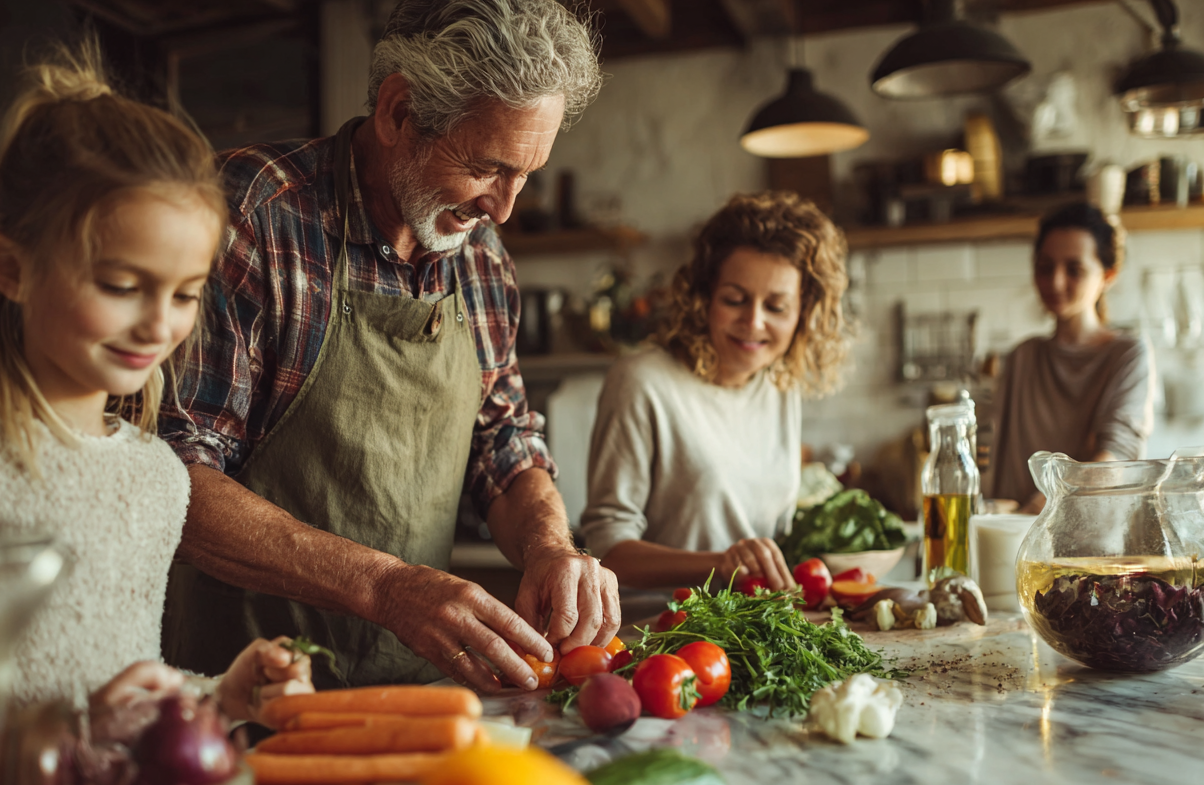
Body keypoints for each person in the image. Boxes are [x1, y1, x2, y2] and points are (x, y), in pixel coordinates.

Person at [159, 0, 619, 694]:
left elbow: (503, 445)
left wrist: (551, 546)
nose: (505, 209)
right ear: (400, 112)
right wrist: (384, 586)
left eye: (526, 174)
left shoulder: (483, 261)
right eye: (489, 166)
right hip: (240, 689)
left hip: (415, 690)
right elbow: (173, 478)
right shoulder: (253, 214)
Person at [0, 43, 311, 720]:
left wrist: (219, 697)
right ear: (12, 270)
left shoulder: (158, 477)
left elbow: (130, 682)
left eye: (186, 294)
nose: (160, 325)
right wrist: (68, 731)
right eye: (122, 286)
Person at [581, 191, 852, 590]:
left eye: (776, 307)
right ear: (704, 297)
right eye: (735, 299)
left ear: (802, 314)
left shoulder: (777, 385)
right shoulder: (641, 382)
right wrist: (721, 564)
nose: (754, 322)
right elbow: (608, 552)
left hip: (752, 625)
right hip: (663, 633)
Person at [990, 202, 1154, 513]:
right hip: (1018, 539)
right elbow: (997, 466)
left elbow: (1115, 457)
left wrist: (1038, 510)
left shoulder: (1128, 355)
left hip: (1092, 546)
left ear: (1108, 275)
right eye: (1045, 267)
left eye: (1074, 270)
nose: (1055, 282)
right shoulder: (1022, 357)